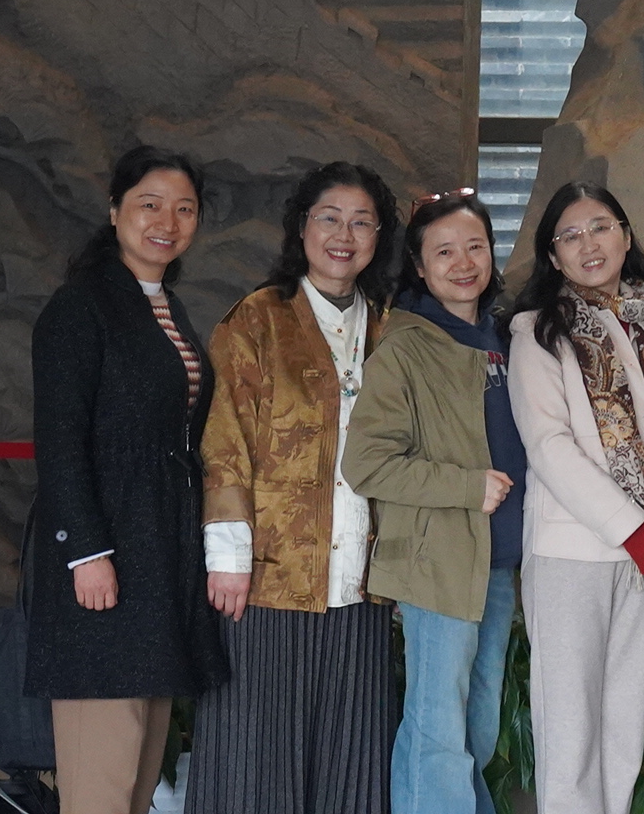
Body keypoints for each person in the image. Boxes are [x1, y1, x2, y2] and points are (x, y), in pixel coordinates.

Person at [189, 162, 403, 814]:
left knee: (350, 759)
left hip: (362, 580)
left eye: (362, 222)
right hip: (267, 577)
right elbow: (224, 441)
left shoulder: (389, 328)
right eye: (330, 218)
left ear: (379, 237)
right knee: (257, 756)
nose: (345, 235)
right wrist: (228, 556)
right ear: (301, 227)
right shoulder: (258, 319)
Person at [27, 146, 228, 814]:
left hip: (156, 558)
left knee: (136, 777)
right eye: (149, 204)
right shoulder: (81, 307)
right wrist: (86, 552)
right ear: (114, 211)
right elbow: (60, 440)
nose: (167, 221)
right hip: (105, 562)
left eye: (184, 209)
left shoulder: (165, 305)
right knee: (102, 780)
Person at [506, 182, 644, 814]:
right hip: (573, 552)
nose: (588, 244)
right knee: (570, 732)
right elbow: (549, 446)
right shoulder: (536, 331)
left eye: (600, 227)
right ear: (552, 256)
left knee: (623, 730)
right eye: (570, 235)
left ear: (625, 234)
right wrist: (635, 530)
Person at [342, 191, 524, 814]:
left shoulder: (504, 336)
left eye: (475, 247)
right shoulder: (407, 345)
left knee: (477, 725)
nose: (463, 263)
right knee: (439, 725)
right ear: (419, 266)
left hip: (495, 562)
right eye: (444, 252)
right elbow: (366, 463)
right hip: (437, 559)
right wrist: (466, 486)